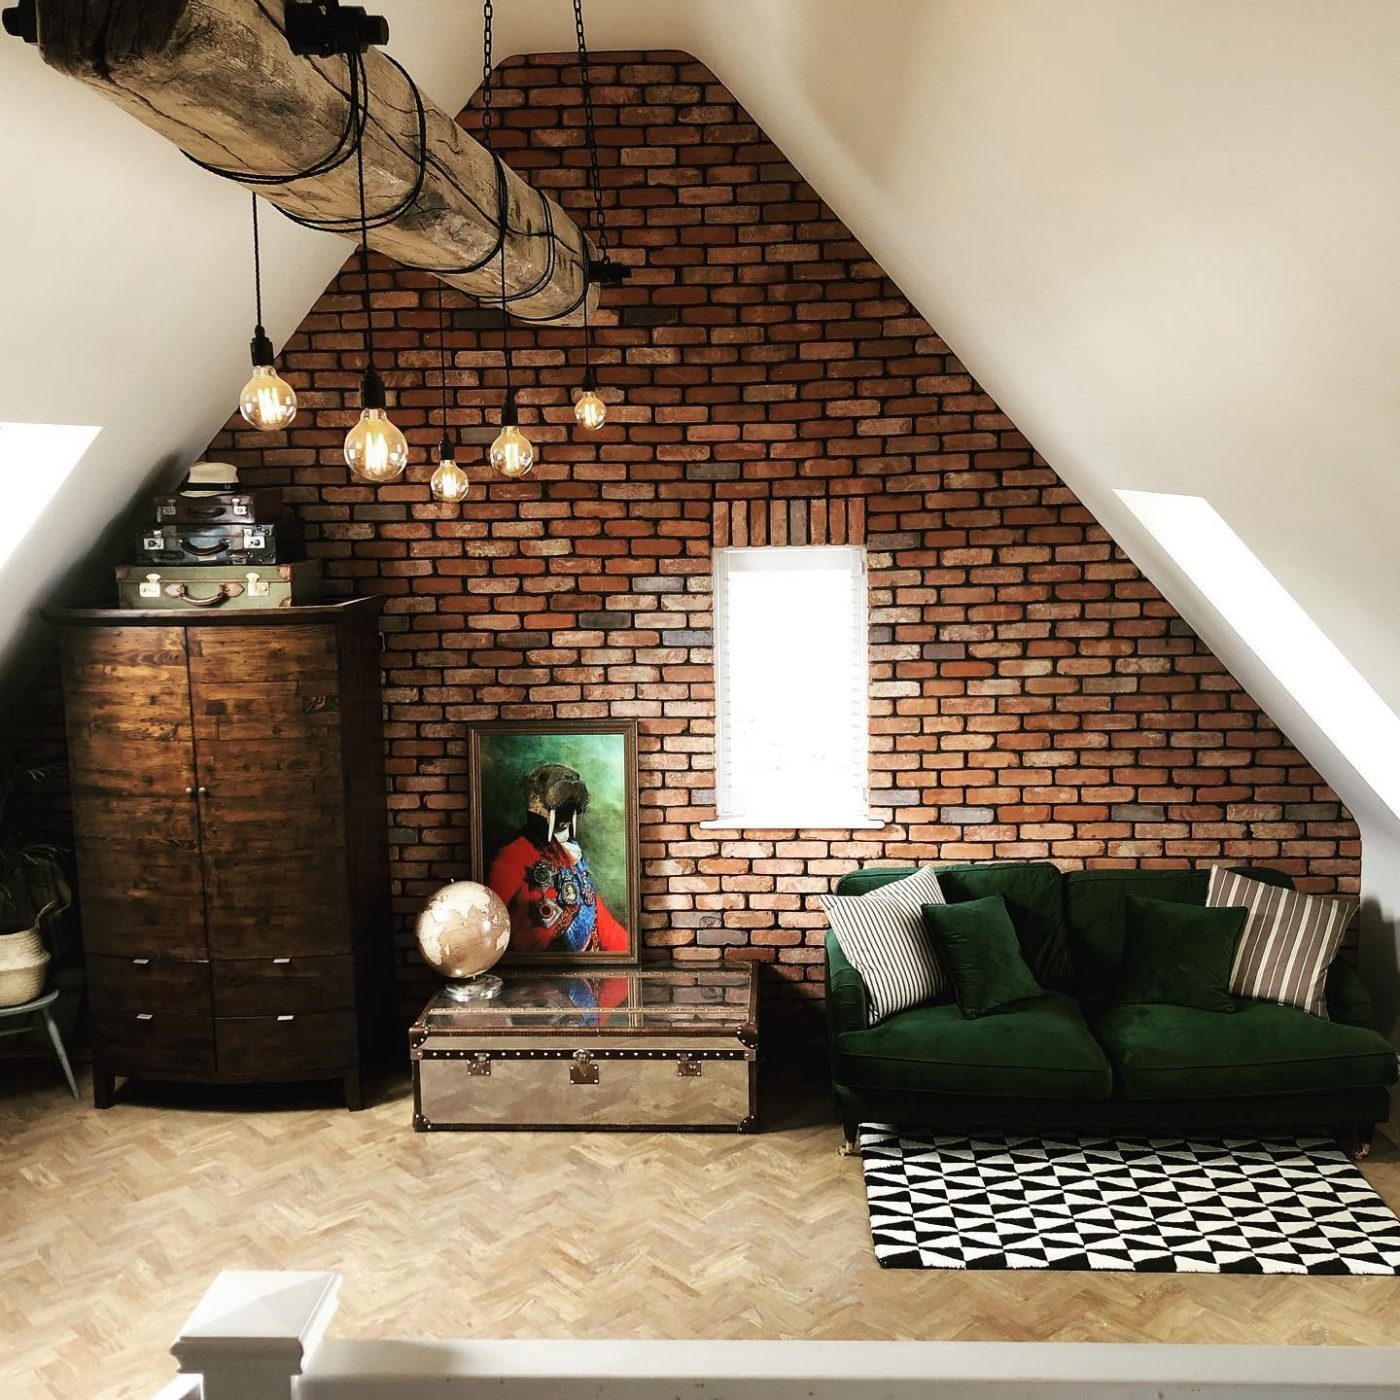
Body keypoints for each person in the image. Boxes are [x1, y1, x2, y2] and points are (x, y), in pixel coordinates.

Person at [486, 762, 629, 955]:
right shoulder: (513, 855)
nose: (570, 780)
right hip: (534, 976)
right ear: (534, 799)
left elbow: (602, 923)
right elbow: (486, 923)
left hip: (581, 973)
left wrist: (630, 956)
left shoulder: (574, 857)